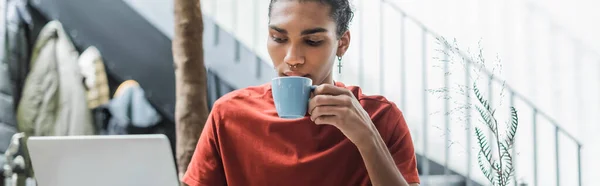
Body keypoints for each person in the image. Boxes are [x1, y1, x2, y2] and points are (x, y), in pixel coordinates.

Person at [183, 0, 420, 185]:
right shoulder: (229, 114)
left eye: (313, 41)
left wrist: (367, 138)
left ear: (342, 43)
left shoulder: (381, 117)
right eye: (278, 38)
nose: (292, 58)